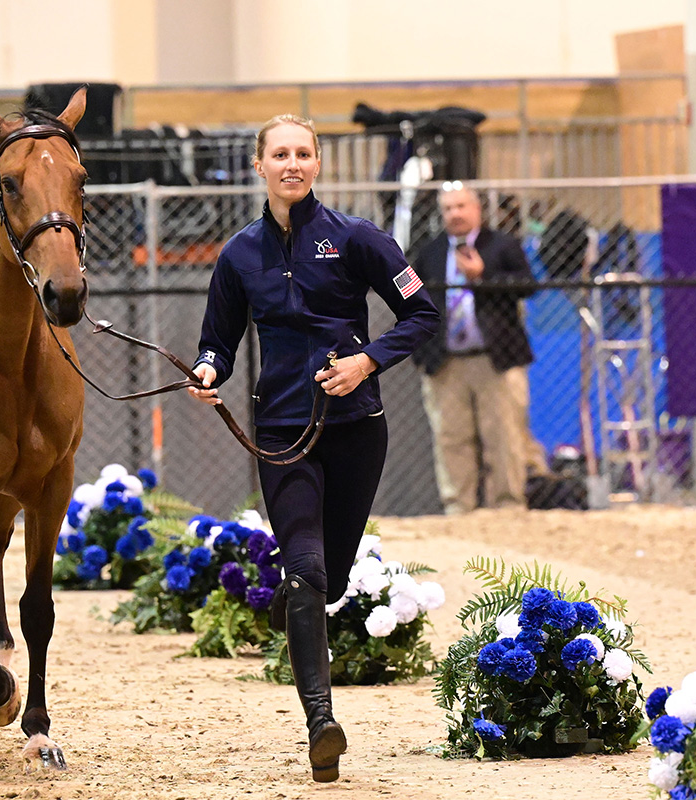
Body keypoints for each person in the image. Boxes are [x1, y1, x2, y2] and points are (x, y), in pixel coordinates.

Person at [187, 115, 439, 782]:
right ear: (259, 167)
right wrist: (208, 371)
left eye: (303, 153)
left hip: (357, 428)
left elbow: (421, 313)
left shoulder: (359, 239)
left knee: (326, 576)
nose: (291, 164)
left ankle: (298, 604)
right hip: (281, 436)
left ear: (317, 165)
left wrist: (368, 362)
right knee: (305, 570)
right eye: (280, 154)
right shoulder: (238, 253)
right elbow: (219, 342)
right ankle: (320, 725)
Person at [411, 183, 538, 514]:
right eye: (449, 208)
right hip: (446, 362)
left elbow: (528, 286)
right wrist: (420, 351)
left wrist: (483, 277)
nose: (455, 213)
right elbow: (411, 300)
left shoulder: (502, 245)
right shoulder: (431, 252)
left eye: (461, 206)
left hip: (495, 359)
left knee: (504, 437)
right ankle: (459, 508)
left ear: (477, 209)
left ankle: (508, 506)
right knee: (452, 438)